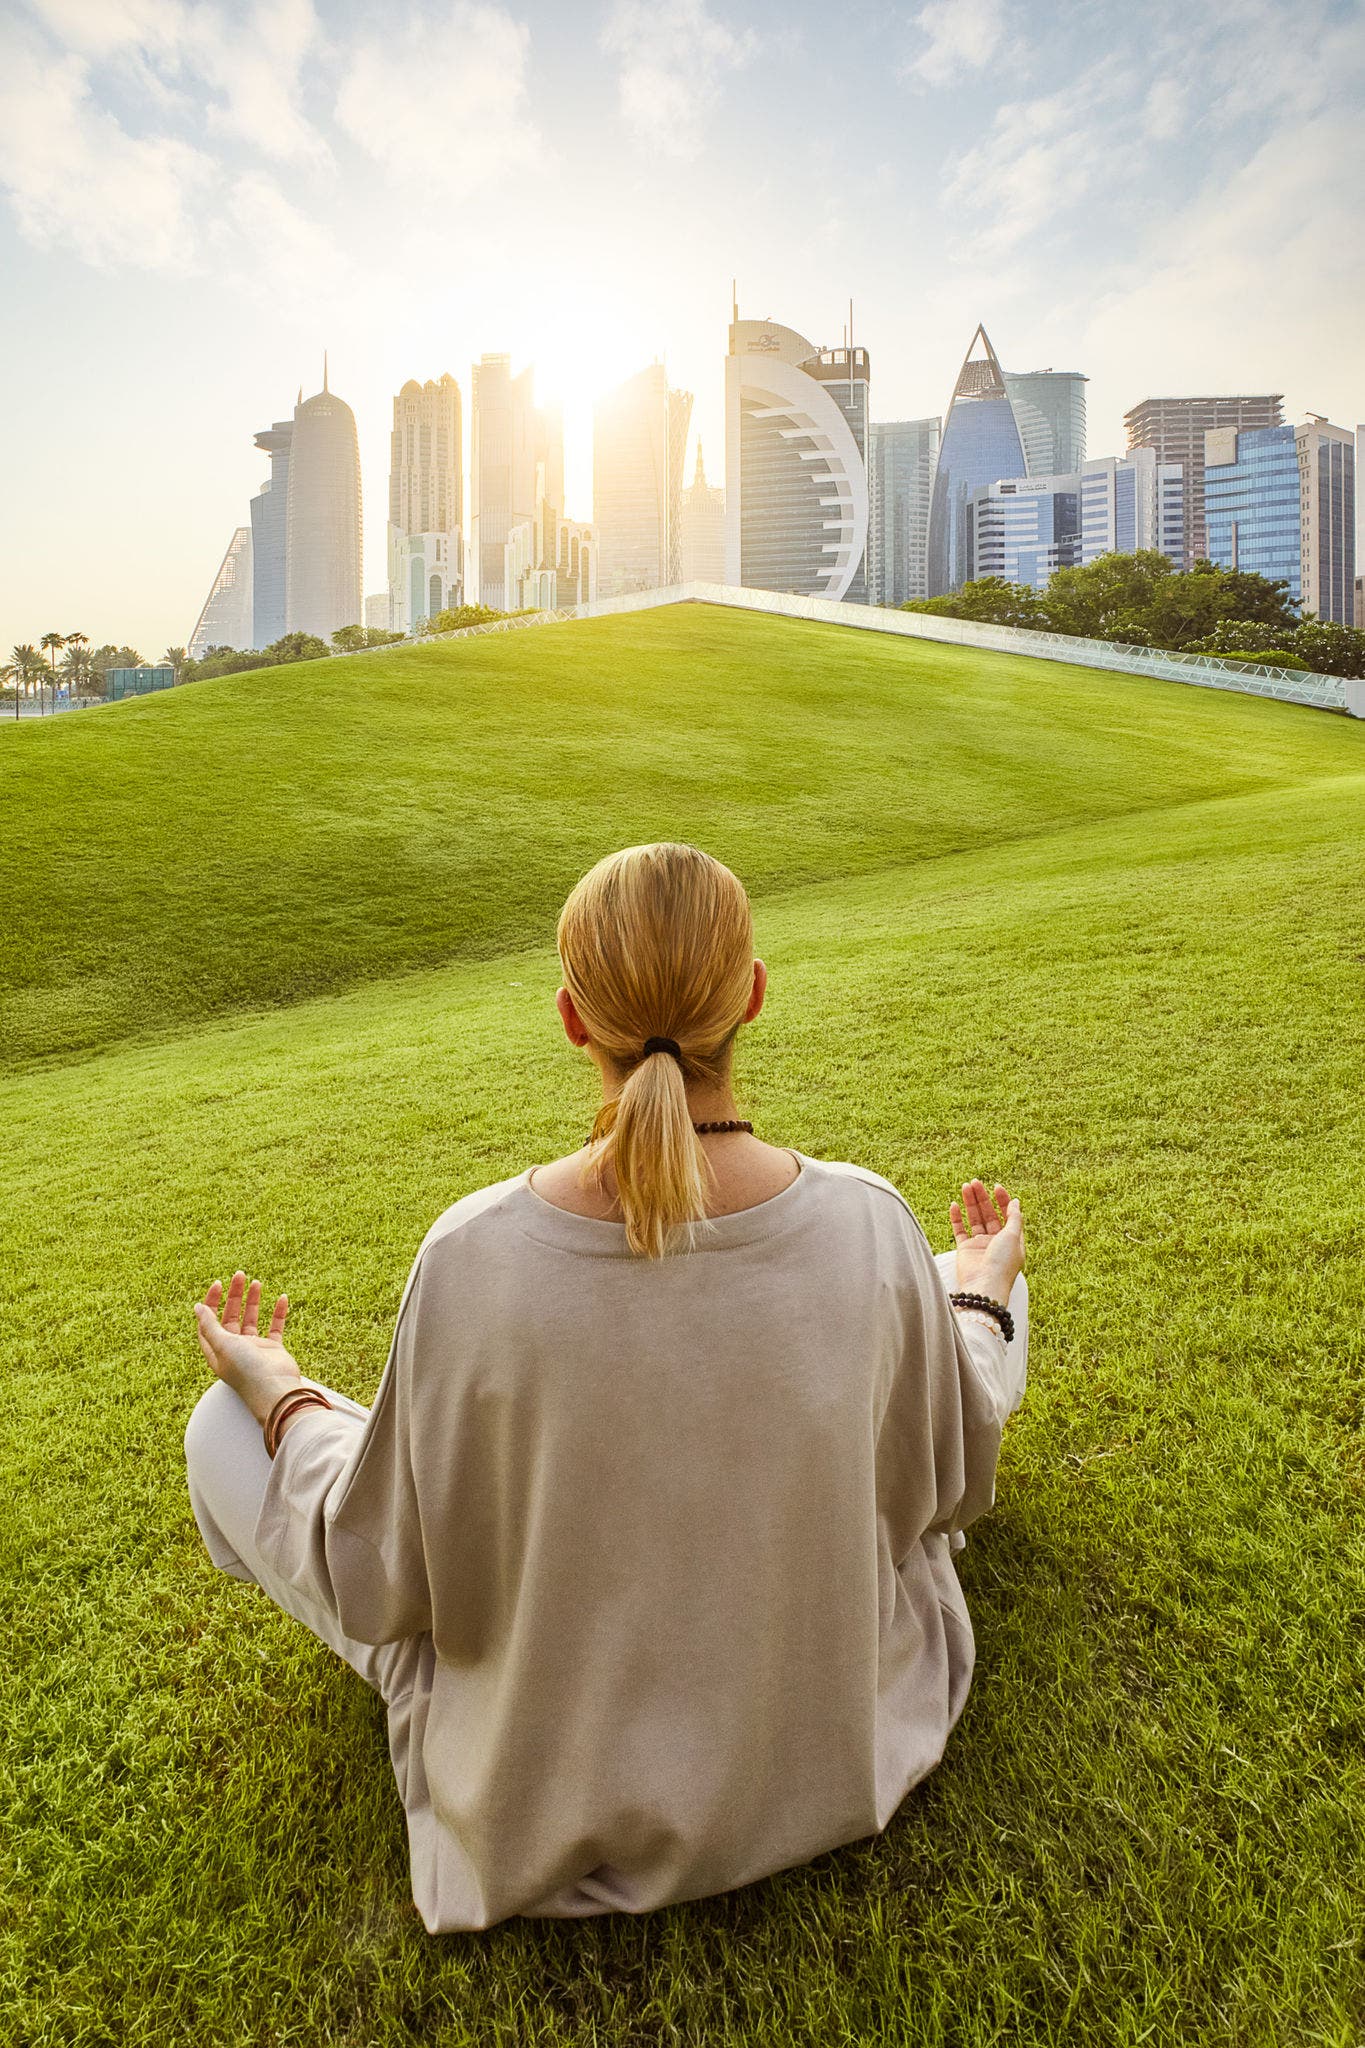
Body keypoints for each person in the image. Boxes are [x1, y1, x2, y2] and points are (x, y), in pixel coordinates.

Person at [185, 840, 1027, 1933]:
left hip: (539, 1806)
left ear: (573, 1018)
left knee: (221, 1421)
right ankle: (985, 1292)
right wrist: (975, 1298)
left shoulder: (472, 1252)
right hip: (835, 1753)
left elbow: (377, 1577)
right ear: (755, 996)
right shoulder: (870, 1219)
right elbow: (950, 1486)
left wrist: (283, 1394)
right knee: (974, 1286)